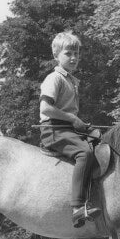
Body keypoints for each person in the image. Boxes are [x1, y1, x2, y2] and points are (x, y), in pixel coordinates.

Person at [39, 31, 102, 227]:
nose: (74, 58)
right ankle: (77, 208)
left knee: (100, 141)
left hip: (67, 128)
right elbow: (46, 108)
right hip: (54, 130)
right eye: (68, 53)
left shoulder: (72, 80)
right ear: (56, 55)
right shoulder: (54, 78)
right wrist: (73, 119)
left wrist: (83, 125)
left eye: (76, 53)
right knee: (85, 153)